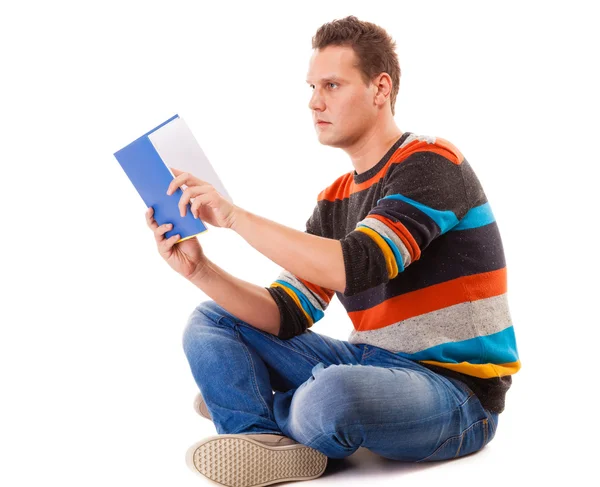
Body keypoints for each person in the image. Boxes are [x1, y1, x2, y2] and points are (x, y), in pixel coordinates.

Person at [145, 15, 521, 487]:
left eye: (332, 85)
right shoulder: (334, 199)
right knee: (211, 317)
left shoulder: (430, 161)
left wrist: (235, 216)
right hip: (373, 365)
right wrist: (200, 270)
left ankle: (252, 399)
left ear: (380, 89)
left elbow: (360, 264)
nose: (314, 102)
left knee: (331, 397)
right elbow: (285, 313)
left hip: (457, 396)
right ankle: (260, 435)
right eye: (311, 87)